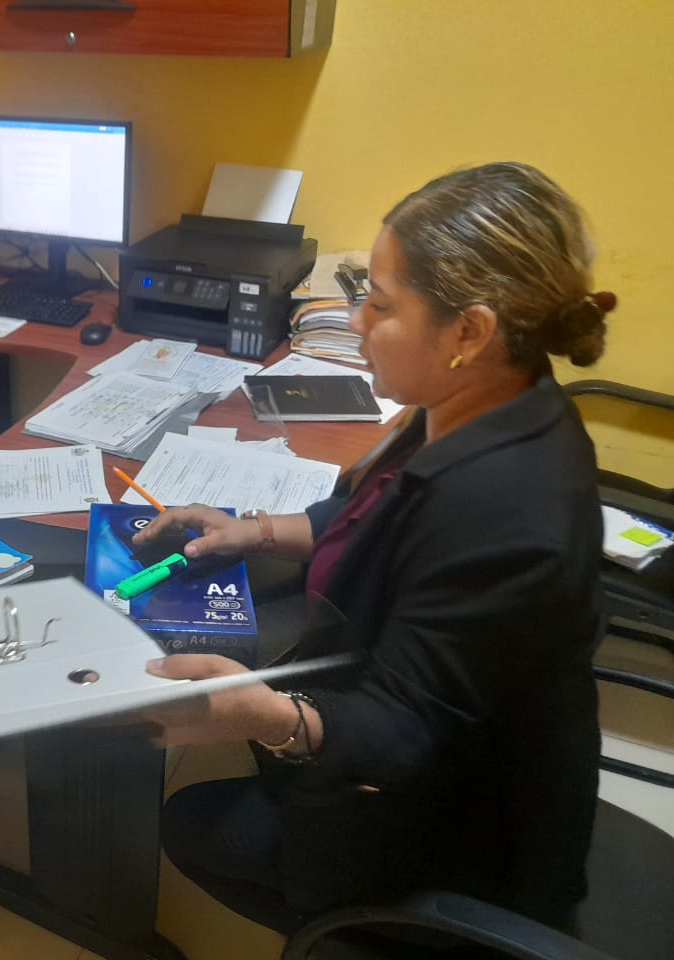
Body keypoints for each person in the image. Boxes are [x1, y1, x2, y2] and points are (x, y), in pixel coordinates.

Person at [134, 162, 616, 933]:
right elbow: (374, 512)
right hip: (429, 719)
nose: (357, 323)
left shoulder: (506, 512)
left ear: (469, 333)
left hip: (457, 826)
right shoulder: (486, 404)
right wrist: (253, 529)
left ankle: (381, 936)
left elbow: (403, 733)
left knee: (189, 824)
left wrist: (268, 716)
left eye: (381, 306)